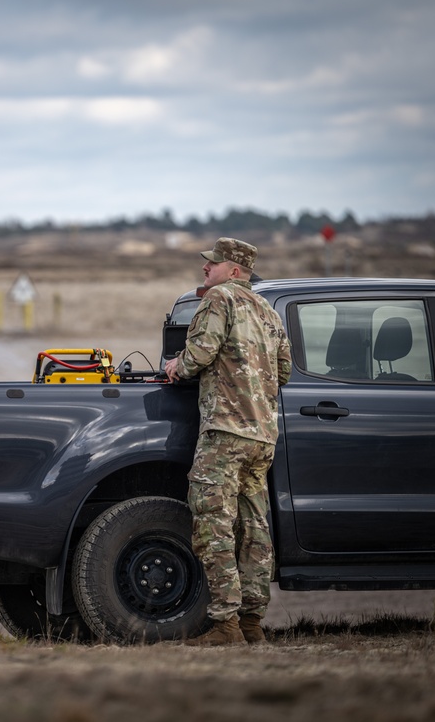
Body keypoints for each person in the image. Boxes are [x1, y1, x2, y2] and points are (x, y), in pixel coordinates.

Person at [164, 237, 292, 646]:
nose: (207, 269)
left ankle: (225, 625)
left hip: (225, 432)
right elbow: (284, 371)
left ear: (234, 271)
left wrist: (174, 366)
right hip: (262, 437)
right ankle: (253, 623)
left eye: (213, 264)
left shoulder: (220, 298)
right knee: (254, 528)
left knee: (213, 525)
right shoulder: (269, 311)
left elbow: (200, 353)